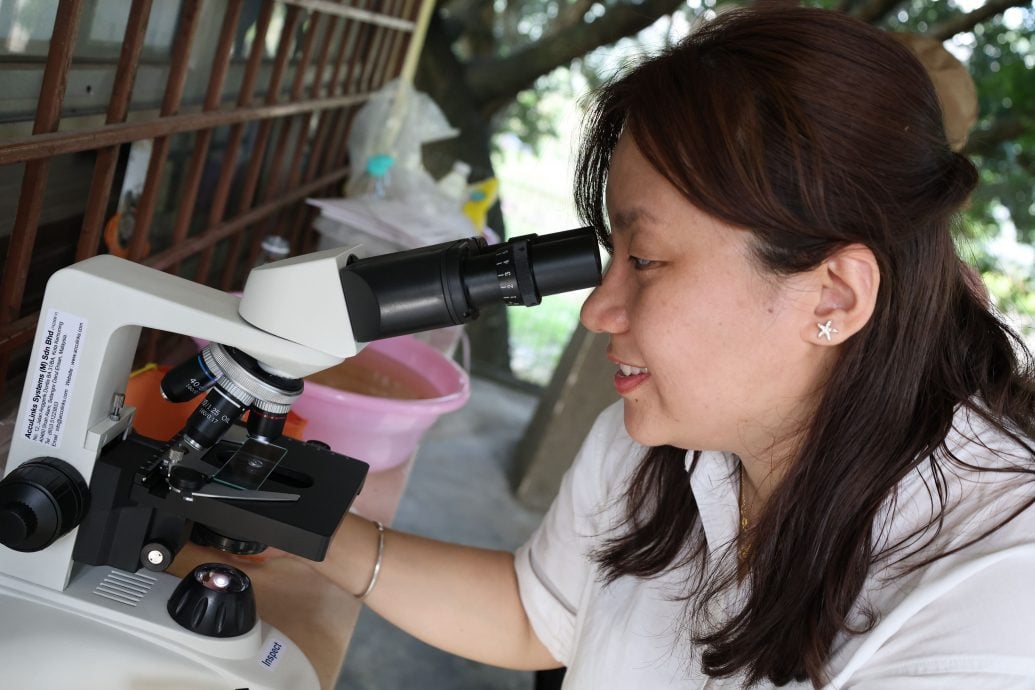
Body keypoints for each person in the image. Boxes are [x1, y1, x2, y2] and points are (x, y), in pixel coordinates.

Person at [262, 5, 1035, 688]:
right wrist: (292, 512)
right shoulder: (665, 439)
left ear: (832, 295)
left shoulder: (994, 603)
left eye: (646, 260)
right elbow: (536, 617)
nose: (598, 310)